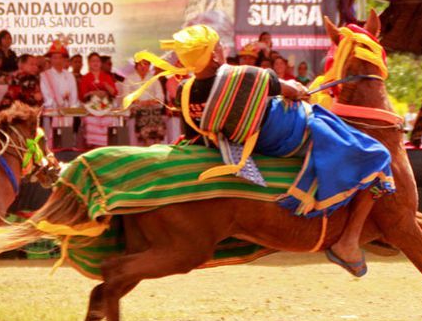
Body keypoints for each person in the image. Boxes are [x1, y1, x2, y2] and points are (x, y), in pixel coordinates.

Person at [125, 25, 395, 278]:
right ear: (214, 55)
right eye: (218, 46)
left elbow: (196, 136)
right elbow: (293, 91)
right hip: (289, 135)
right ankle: (349, 240)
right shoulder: (245, 75)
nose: (222, 50)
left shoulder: (185, 91)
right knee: (377, 155)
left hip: (239, 145)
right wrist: (301, 90)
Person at [40, 41, 78, 146]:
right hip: (52, 115)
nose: (57, 61)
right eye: (54, 58)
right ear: (50, 59)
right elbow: (46, 98)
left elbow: (74, 98)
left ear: (65, 59)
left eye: (60, 57)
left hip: (68, 115)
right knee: (51, 145)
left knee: (67, 145)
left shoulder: (70, 76)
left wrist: (69, 108)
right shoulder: (44, 76)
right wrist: (57, 106)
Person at [79, 53, 118, 147]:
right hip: (91, 109)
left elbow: (114, 93)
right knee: (93, 140)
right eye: (93, 61)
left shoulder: (107, 76)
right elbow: (82, 95)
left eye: (97, 61)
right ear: (88, 63)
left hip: (105, 108)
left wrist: (105, 87)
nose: (95, 63)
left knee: (106, 139)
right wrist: (93, 93)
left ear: (101, 63)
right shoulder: (85, 78)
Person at [124, 58, 165, 145]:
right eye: (140, 64)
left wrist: (151, 102)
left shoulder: (154, 79)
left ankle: (156, 141)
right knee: (143, 111)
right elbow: (126, 96)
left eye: (146, 64)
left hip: (152, 107)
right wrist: (138, 102)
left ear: (149, 66)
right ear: (136, 66)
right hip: (137, 107)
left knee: (152, 111)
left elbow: (160, 96)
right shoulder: (129, 79)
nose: (143, 67)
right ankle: (144, 140)